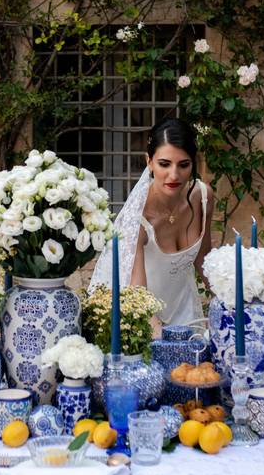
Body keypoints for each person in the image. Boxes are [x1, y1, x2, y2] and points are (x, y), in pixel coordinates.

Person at [90, 117, 213, 335]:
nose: (174, 175)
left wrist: (234, 304)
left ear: (193, 163)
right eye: (164, 164)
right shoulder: (137, 219)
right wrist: (163, 340)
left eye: (183, 165)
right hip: (138, 318)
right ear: (149, 162)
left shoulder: (203, 197)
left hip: (183, 309)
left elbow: (203, 259)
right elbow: (138, 295)